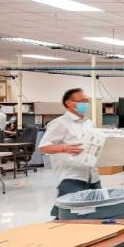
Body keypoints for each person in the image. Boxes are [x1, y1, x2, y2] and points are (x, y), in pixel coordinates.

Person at [39, 88, 100, 217]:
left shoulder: (89, 123)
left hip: (92, 176)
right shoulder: (59, 123)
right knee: (69, 216)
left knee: (95, 215)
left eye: (86, 100)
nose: (85, 103)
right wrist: (64, 148)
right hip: (72, 177)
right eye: (82, 101)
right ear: (69, 103)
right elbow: (43, 147)